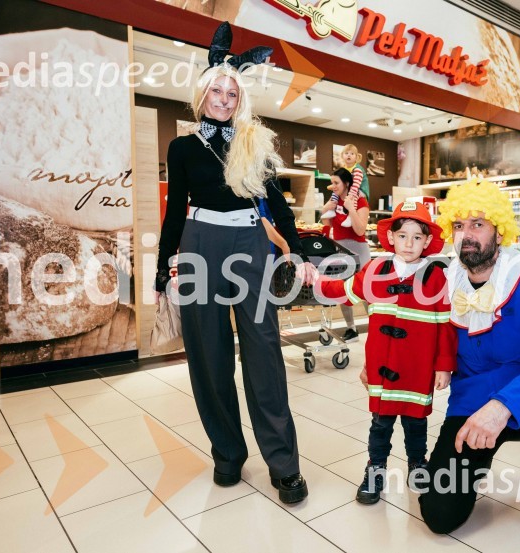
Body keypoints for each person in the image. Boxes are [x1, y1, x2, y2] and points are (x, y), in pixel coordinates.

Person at [154, 23, 318, 505]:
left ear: (240, 99)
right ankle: (227, 453)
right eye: (217, 91)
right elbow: (175, 210)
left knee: (263, 350)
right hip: (199, 242)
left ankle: (284, 464)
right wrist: (164, 265)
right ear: (202, 93)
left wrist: (296, 251)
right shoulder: (183, 147)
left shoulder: (254, 142)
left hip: (249, 242)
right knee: (208, 353)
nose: (224, 100)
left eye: (232, 93)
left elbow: (278, 204)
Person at [418, 181, 520, 548]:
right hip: (468, 405)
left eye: (478, 224)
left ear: (499, 231)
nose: (466, 235)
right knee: (439, 516)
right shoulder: (443, 284)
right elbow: (412, 333)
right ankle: (474, 465)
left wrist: (502, 406)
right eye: (459, 226)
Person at [316, 201, 455, 504]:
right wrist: (315, 280)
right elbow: (345, 292)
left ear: (427, 241)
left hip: (419, 367)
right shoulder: (375, 270)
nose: (409, 243)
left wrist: (444, 365)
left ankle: (417, 464)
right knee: (380, 423)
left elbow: (446, 326)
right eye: (402, 235)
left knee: (416, 423)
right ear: (391, 237)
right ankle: (375, 469)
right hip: (383, 366)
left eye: (417, 237)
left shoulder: (437, 277)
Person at [322, 167, 371, 342]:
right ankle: (351, 329)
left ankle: (375, 327)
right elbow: (326, 225)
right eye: (332, 182)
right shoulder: (333, 201)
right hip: (341, 250)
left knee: (366, 291)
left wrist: (351, 209)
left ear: (347, 183)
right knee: (343, 290)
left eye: (336, 183)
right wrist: (324, 209)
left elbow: (360, 230)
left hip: (359, 251)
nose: (333, 186)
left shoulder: (361, 201)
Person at [321, 144, 370, 227]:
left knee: (353, 196)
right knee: (335, 191)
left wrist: (350, 195)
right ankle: (331, 210)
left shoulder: (358, 169)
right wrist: (335, 187)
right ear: (342, 156)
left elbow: (355, 185)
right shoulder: (344, 168)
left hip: (360, 189)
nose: (349, 155)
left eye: (352, 154)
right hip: (350, 187)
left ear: (356, 157)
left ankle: (350, 216)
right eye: (346, 153)